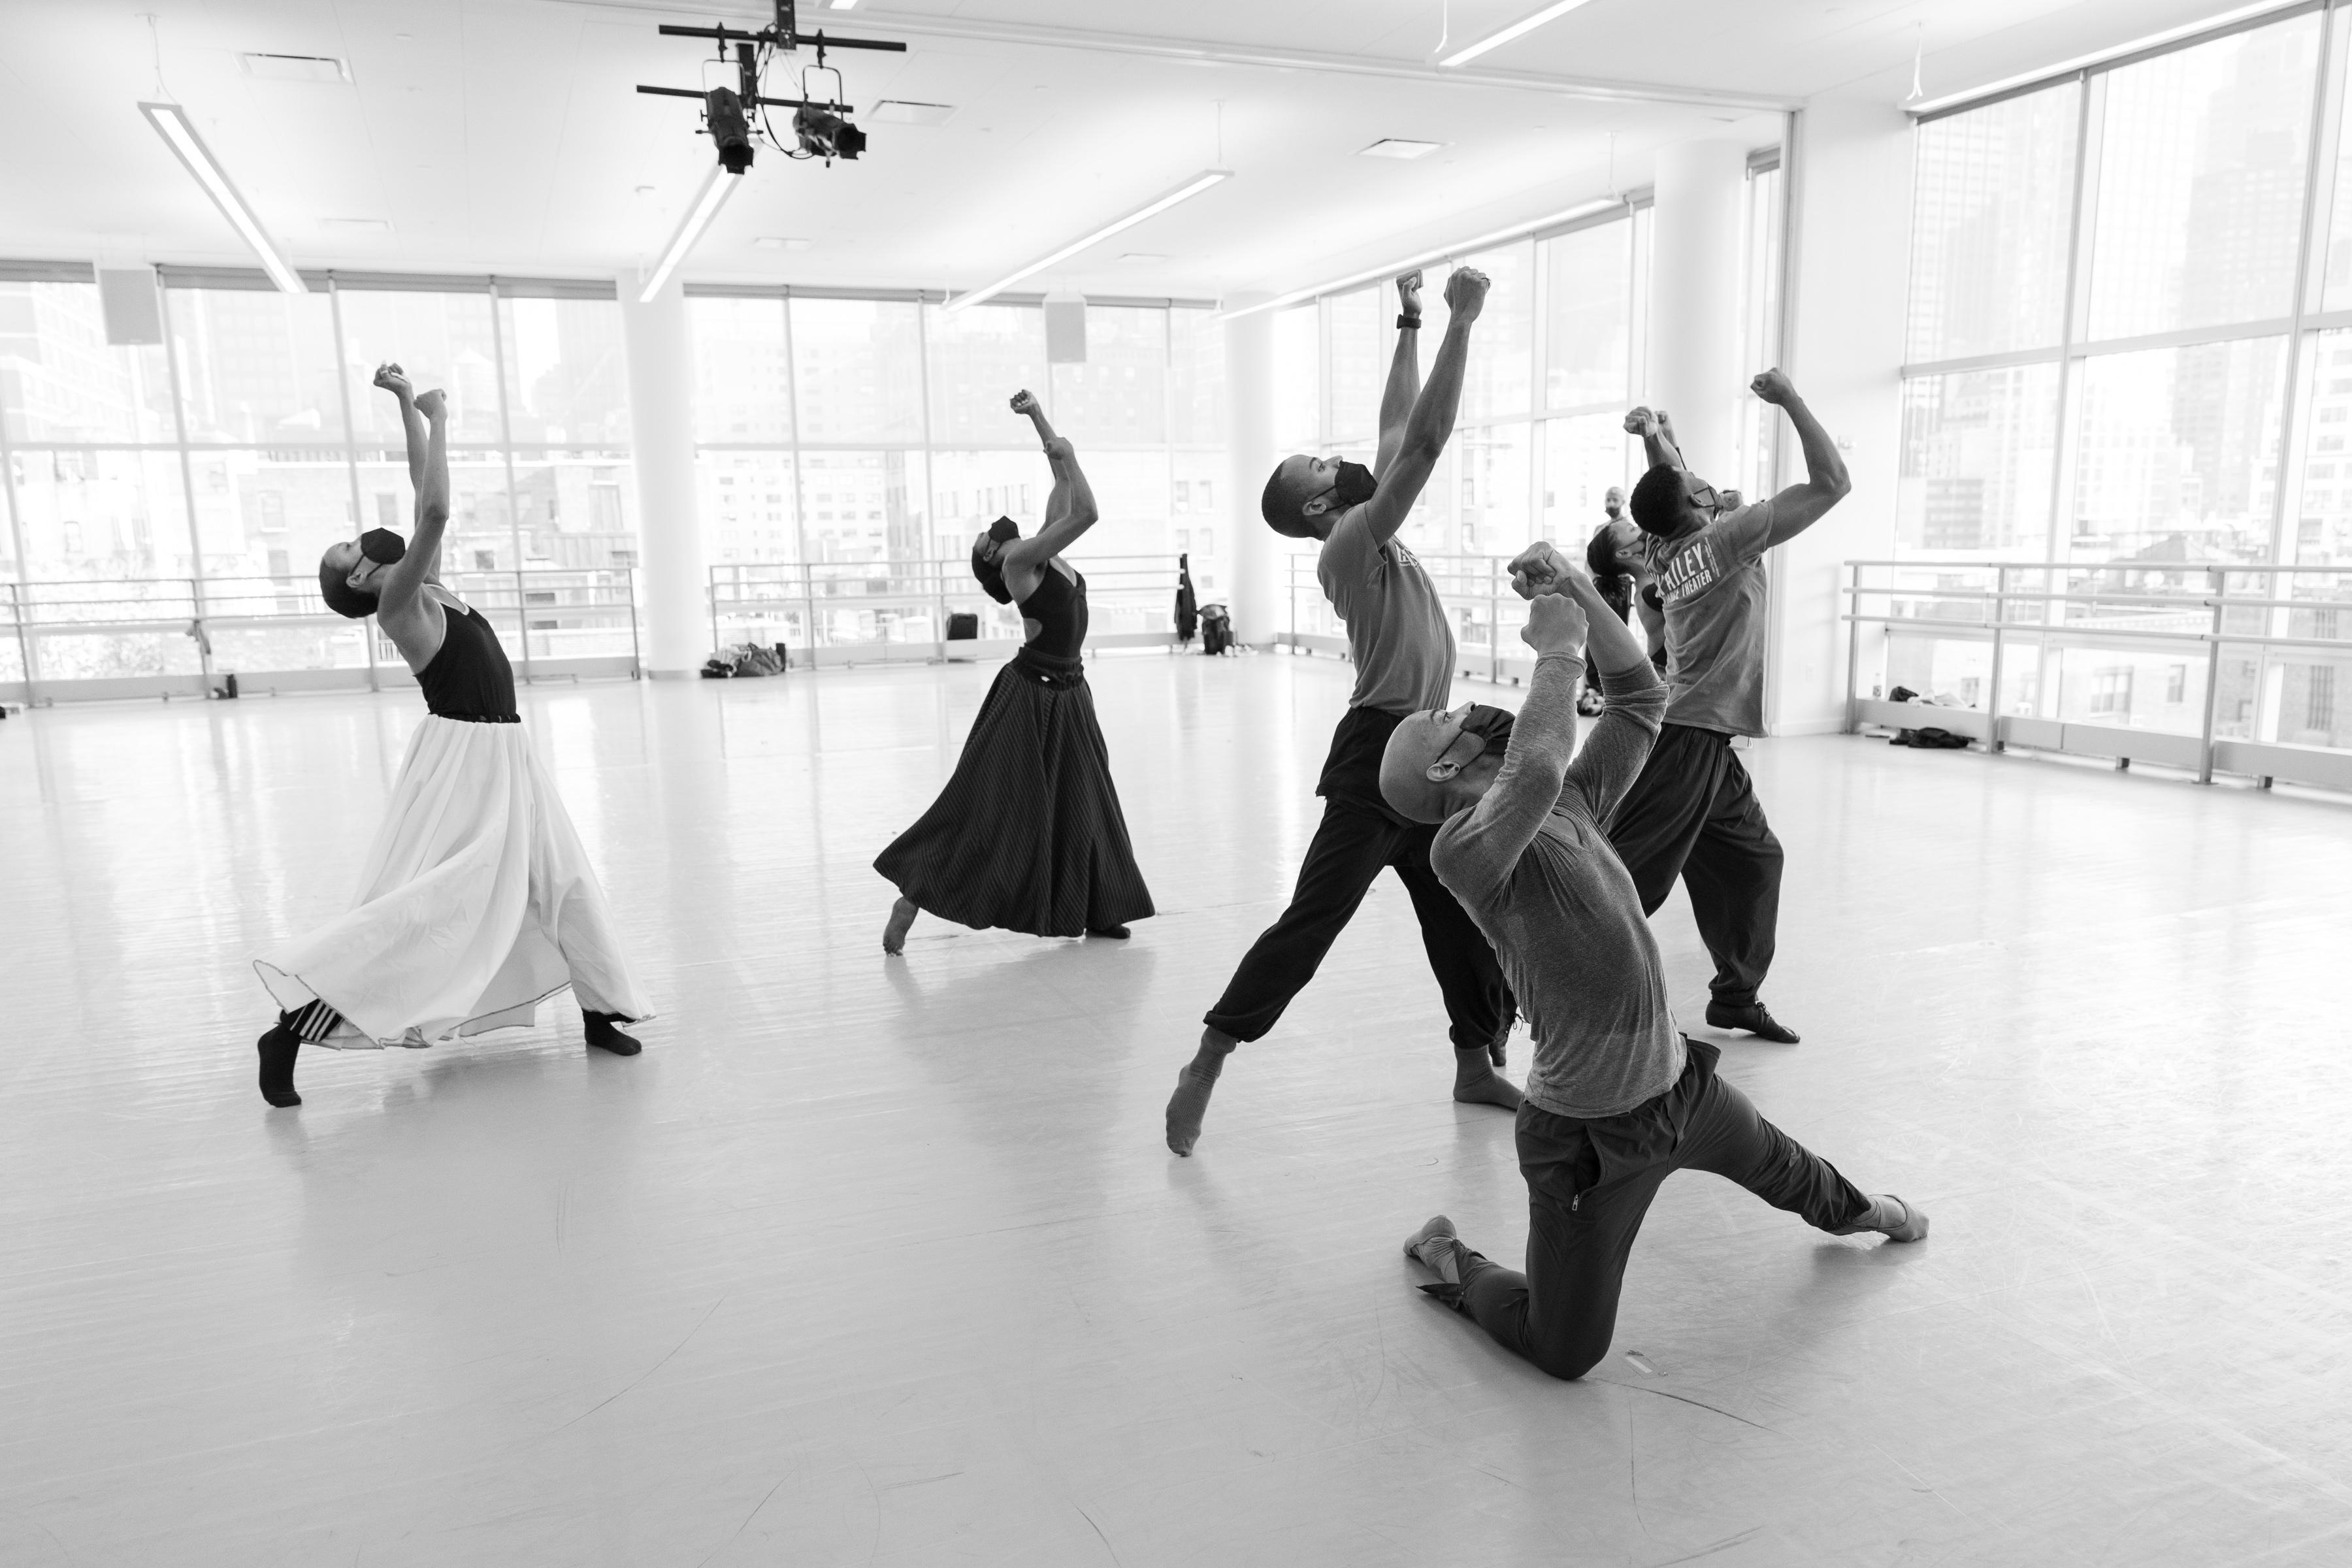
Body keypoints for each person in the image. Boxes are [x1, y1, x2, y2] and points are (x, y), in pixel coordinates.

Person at [1380, 551, 1925, 1380]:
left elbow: (1642, 698)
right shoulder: (1466, 851)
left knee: (1791, 1172)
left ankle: (1867, 1212)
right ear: (1446, 767)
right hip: (1586, 1139)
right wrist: (1558, 650)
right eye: (1448, 714)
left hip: (1680, 1088)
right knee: (1565, 1351)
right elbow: (1530, 766)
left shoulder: (1570, 800)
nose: (1466, 708)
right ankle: (1455, 1259)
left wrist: (1578, 591)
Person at [1165, 267, 1518, 1157]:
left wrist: (1404, 322)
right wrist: (1461, 323)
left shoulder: (1370, 530)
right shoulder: (1354, 545)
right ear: (1320, 506)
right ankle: (1211, 1051)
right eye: (1321, 466)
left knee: (1463, 921)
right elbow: (1427, 443)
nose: (1337, 458)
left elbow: (1397, 431)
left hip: (1432, 751)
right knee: (1315, 919)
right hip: (1378, 761)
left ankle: (1476, 1063)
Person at [251, 365, 649, 1107]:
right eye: (348, 549)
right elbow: (433, 508)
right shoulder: (398, 604)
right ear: (363, 579)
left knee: (565, 880)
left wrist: (410, 406)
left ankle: (601, 1010)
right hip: (465, 764)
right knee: (426, 913)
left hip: (509, 750)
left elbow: (417, 488)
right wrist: (443, 420)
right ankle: (289, 1031)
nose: (359, 538)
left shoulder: (426, 584)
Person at [1588, 372, 1851, 1045]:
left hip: (1703, 733)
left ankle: (1736, 995)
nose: (1714, 484)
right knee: (1631, 874)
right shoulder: (1726, 539)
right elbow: (1831, 483)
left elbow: (1670, 487)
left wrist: (1655, 440)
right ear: (1704, 507)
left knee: (1753, 860)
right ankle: (1552, 987)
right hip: (1688, 735)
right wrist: (1792, 398)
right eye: (1706, 487)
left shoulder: (1663, 544)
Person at [876, 391, 1154, 952]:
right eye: (989, 541)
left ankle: (1101, 906)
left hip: (1071, 692)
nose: (993, 531)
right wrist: (1067, 450)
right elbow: (1088, 511)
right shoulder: (1022, 562)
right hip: (1027, 699)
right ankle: (914, 894)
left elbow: (1063, 485)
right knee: (988, 807)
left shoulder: (1041, 548)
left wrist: (1038, 419)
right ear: (997, 562)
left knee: (1089, 798)